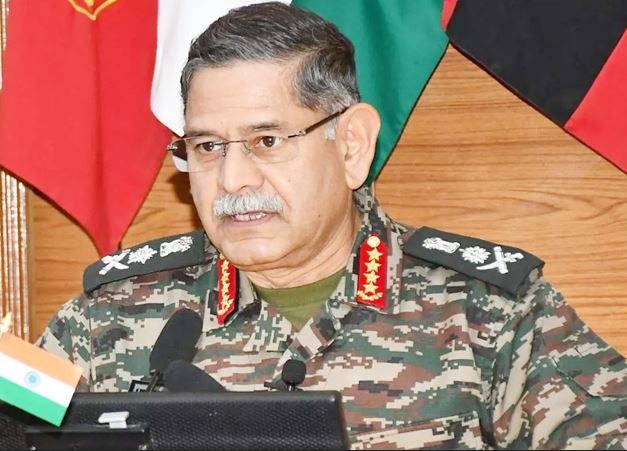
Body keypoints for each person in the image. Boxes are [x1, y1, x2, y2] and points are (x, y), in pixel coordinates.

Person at [37, 2, 626, 449]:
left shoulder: (489, 313)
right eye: (208, 147)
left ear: (351, 145)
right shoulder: (105, 319)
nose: (233, 179)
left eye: (267, 141)